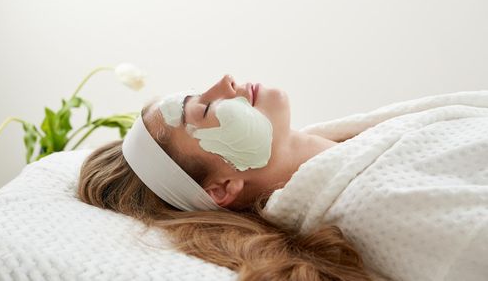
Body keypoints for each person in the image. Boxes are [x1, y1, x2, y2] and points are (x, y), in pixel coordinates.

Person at [76, 74, 375, 281]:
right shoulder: (378, 201)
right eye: (205, 108)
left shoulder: (361, 140)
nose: (226, 81)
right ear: (221, 189)